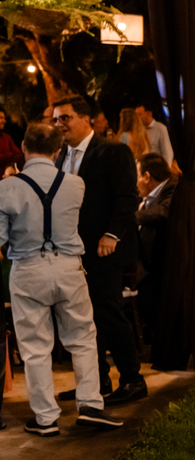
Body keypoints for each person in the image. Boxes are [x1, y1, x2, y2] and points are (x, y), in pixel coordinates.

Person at [0, 119, 121, 436]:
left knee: (35, 347)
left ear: (24, 147)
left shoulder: (7, 188)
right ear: (57, 150)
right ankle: (91, 405)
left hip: (28, 269)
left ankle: (45, 419)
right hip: (69, 267)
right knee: (82, 339)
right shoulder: (75, 184)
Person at [51, 96, 146, 406]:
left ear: (85, 119)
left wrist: (111, 235)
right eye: (55, 119)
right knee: (80, 318)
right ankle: (96, 382)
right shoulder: (60, 156)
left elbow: (127, 197)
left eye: (65, 117)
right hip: (72, 250)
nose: (59, 124)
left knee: (109, 313)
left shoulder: (113, 151)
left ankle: (132, 379)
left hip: (105, 249)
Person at [135, 152, 177, 348]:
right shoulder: (146, 198)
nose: (135, 181)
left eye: (137, 175)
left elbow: (163, 213)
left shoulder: (172, 188)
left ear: (147, 176)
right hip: (150, 259)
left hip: (162, 261)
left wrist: (128, 218)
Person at [133, 101, 173, 166]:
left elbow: (167, 151)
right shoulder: (138, 130)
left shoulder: (160, 128)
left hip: (156, 167)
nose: (137, 118)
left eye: (139, 114)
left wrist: (166, 168)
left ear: (148, 114)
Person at [0, 108, 23, 175]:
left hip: (7, 178)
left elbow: (19, 155)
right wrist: (10, 155)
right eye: (1, 118)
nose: (4, 121)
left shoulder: (6, 138)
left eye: (4, 118)